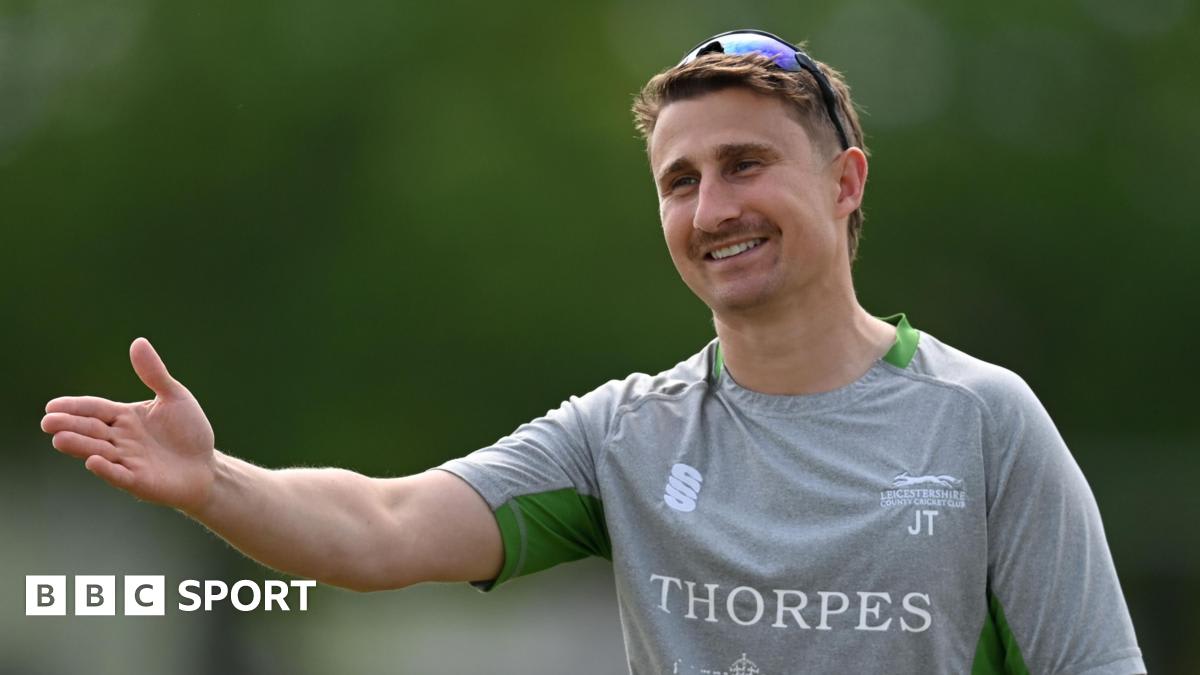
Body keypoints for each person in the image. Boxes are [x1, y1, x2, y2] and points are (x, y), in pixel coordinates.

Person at [40, 29, 1143, 674]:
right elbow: (380, 526)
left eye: (747, 163)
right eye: (681, 181)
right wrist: (212, 483)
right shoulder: (623, 433)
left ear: (845, 182)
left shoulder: (985, 419)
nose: (713, 207)